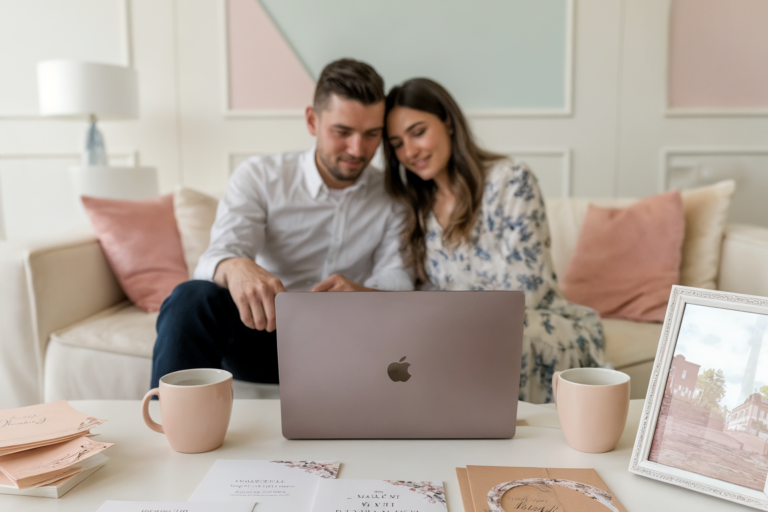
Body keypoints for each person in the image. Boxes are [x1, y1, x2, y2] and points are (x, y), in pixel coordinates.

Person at [151, 59, 414, 389]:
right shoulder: (261, 176)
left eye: (372, 134)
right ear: (312, 120)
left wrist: (362, 294)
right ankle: (168, 424)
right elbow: (216, 256)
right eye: (342, 132)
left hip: (351, 339)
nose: (357, 149)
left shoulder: (395, 195)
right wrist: (236, 265)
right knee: (191, 298)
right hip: (266, 334)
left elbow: (399, 277)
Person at [382, 78, 604, 403]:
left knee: (501, 337)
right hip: (461, 336)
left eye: (418, 132)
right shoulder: (417, 208)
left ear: (448, 122)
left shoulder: (511, 180)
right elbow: (426, 293)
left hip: (534, 327)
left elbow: (524, 291)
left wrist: (452, 324)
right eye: (397, 143)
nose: (410, 151)